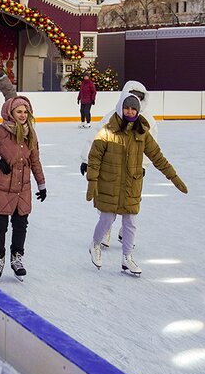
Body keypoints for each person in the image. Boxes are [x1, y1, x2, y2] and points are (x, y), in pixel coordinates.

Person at [86, 92, 188, 275]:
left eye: (134, 109)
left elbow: (158, 157)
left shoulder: (142, 133)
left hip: (131, 184)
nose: (130, 111)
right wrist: (92, 181)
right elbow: (94, 158)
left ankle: (127, 258)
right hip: (109, 183)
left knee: (130, 222)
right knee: (107, 219)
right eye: (127, 108)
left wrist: (173, 177)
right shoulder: (107, 131)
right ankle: (95, 244)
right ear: (120, 108)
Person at [0, 96, 46, 281]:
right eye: (19, 111)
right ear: (10, 113)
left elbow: (35, 161)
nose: (23, 115)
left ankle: (17, 258)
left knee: (21, 225)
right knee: (0, 225)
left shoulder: (31, 133)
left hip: (23, 188)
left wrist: (41, 184)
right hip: (1, 187)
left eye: (25, 112)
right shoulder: (1, 131)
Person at [80, 80, 156, 249]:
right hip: (111, 167)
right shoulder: (112, 116)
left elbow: (151, 145)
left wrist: (144, 165)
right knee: (108, 199)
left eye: (139, 97)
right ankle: (106, 230)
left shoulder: (148, 120)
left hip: (133, 169)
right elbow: (96, 137)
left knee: (131, 202)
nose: (135, 100)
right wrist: (86, 159)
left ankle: (125, 232)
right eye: (132, 96)